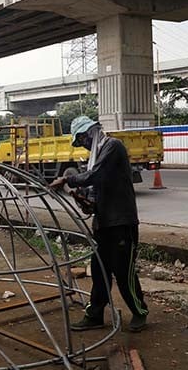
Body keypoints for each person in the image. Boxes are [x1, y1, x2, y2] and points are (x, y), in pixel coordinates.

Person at [49, 116, 149, 332]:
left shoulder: (112, 147)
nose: (83, 144)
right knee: (99, 270)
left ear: (90, 133)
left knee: (124, 272)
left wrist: (67, 180)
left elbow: (96, 175)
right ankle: (94, 315)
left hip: (121, 222)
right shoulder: (97, 155)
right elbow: (94, 195)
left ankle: (140, 312)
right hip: (103, 223)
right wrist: (83, 199)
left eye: (83, 139)